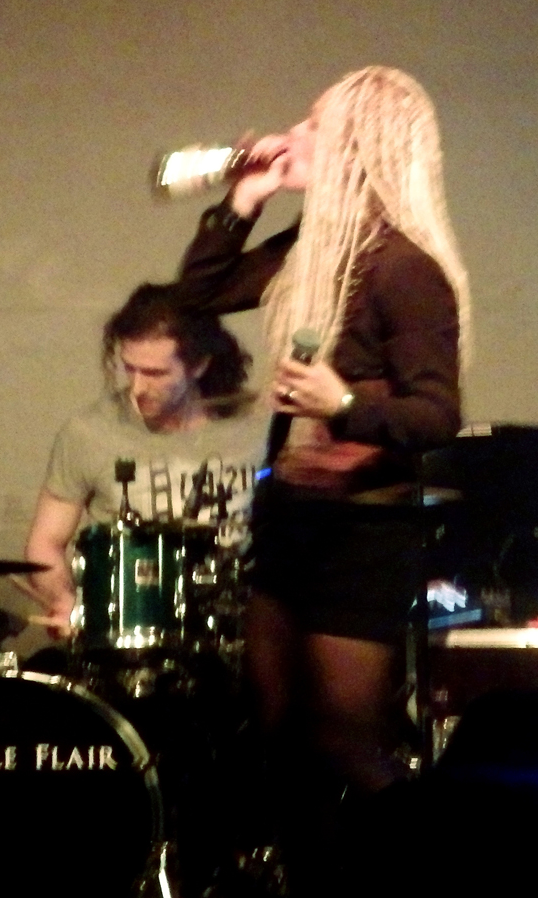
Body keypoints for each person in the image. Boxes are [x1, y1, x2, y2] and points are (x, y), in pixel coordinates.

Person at [176, 66, 469, 800]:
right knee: (276, 727)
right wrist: (244, 200)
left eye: (314, 124)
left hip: (361, 533)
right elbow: (199, 294)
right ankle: (305, 869)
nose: (292, 135)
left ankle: (413, 862)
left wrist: (341, 401)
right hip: (292, 519)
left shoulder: (403, 268)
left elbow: (437, 414)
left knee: (345, 740)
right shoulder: (313, 246)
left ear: (357, 146)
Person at [25, 282, 265, 633]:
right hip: (133, 632)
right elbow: (44, 543)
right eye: (130, 369)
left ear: (199, 365)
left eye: (155, 373)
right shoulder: (89, 432)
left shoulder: (256, 426)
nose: (137, 388)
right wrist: (65, 600)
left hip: (242, 630)